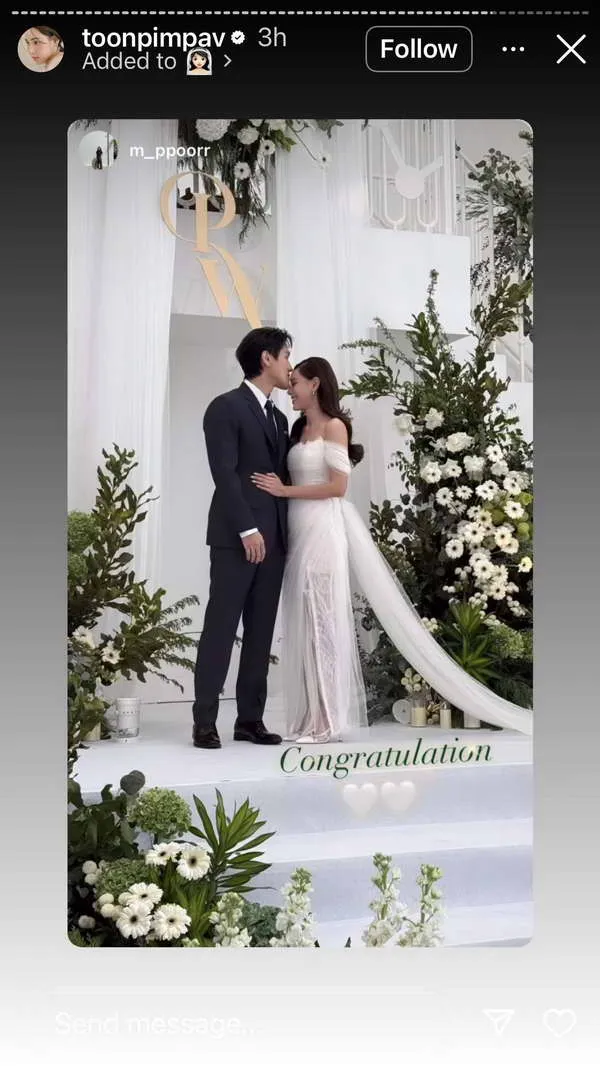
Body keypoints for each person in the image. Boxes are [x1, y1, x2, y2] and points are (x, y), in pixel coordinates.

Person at [252, 358, 533, 740]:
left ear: (315, 384)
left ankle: (328, 722)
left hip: (322, 529)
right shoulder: (298, 428)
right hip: (297, 528)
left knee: (324, 623)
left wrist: (284, 490)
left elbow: (338, 487)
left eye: (296, 382)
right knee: (305, 625)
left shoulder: (335, 426)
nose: (291, 390)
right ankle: (309, 717)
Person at [192, 327, 292, 749]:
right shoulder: (225, 407)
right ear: (266, 358)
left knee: (260, 633)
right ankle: (204, 722)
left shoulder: (280, 419)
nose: (290, 365)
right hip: (236, 539)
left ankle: (250, 720)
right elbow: (225, 474)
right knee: (220, 627)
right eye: (286, 356)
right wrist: (247, 529)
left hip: (275, 541)